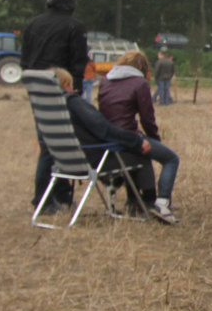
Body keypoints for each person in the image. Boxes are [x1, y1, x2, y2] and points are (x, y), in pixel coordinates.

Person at [44, 68, 174, 217]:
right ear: (66, 84)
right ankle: (149, 204)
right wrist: (137, 140)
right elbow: (104, 130)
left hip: (64, 163)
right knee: (140, 154)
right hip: (93, 160)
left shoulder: (49, 108)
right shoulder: (73, 103)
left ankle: (135, 203)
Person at [21, 0, 90, 214]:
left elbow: (24, 61)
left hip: (37, 91)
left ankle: (60, 195)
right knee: (56, 146)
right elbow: (78, 64)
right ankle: (44, 199)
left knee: (50, 142)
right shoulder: (74, 27)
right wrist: (75, 94)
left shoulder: (33, 24)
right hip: (62, 90)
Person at [97, 49, 182, 224]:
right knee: (171, 159)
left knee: (141, 156)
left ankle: (136, 201)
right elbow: (147, 119)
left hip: (108, 138)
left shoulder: (105, 81)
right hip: (129, 138)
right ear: (142, 67)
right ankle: (162, 203)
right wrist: (154, 139)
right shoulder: (139, 83)